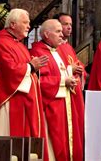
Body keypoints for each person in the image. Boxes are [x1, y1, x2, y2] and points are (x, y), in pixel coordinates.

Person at [0, 8, 49, 144]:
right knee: (8, 140)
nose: (29, 26)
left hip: (23, 101)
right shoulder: (1, 43)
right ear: (12, 25)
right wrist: (31, 66)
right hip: (10, 100)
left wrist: (33, 67)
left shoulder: (19, 45)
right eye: (25, 22)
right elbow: (9, 71)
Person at [31, 18, 85, 161]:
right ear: (47, 35)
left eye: (62, 31)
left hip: (64, 104)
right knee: (55, 145)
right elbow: (39, 82)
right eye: (58, 31)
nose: (62, 35)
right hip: (51, 107)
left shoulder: (57, 51)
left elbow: (62, 73)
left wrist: (71, 78)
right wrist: (63, 81)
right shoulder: (38, 52)